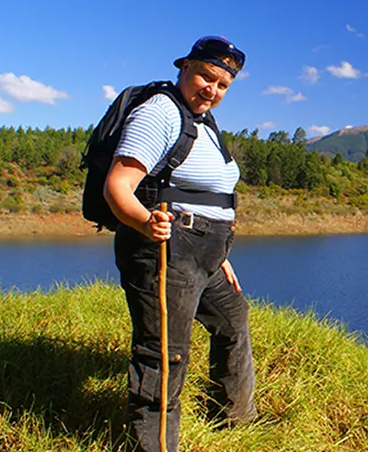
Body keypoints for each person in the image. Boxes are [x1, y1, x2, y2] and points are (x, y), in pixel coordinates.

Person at [103, 35, 255, 452]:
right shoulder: (161, 113)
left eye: (223, 85)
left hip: (205, 254)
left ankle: (235, 423)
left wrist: (219, 256)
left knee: (232, 320)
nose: (213, 89)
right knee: (165, 354)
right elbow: (117, 186)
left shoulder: (202, 122)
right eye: (207, 76)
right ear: (184, 67)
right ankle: (152, 446)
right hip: (166, 249)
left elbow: (211, 197)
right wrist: (145, 221)